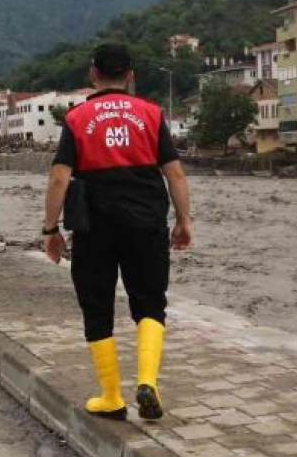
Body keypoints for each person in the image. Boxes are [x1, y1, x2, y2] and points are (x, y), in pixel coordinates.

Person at [43, 43, 192, 422]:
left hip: (94, 226)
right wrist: (183, 221)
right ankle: (147, 382)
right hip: (146, 223)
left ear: (93, 74)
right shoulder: (152, 114)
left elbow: (60, 177)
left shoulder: (77, 118)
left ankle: (111, 396)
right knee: (150, 302)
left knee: (97, 307)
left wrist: (50, 228)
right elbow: (174, 172)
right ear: (130, 75)